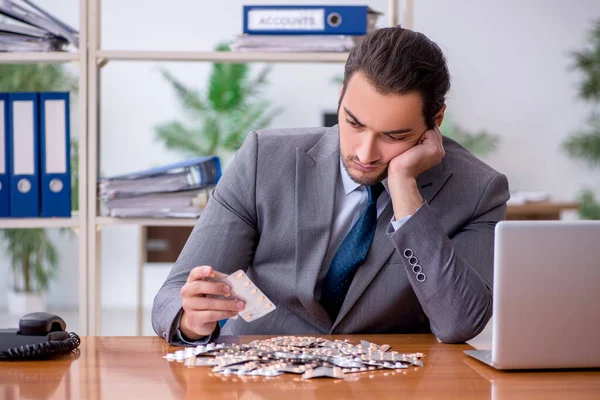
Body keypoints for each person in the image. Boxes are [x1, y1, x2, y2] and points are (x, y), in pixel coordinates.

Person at [152, 26, 510, 345]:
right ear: (341, 98)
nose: (365, 153)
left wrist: (404, 187)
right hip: (260, 377)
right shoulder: (264, 159)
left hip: (387, 384)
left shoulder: (477, 190)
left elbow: (459, 324)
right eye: (353, 123)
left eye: (394, 135)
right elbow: (171, 297)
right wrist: (191, 320)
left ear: (436, 121)